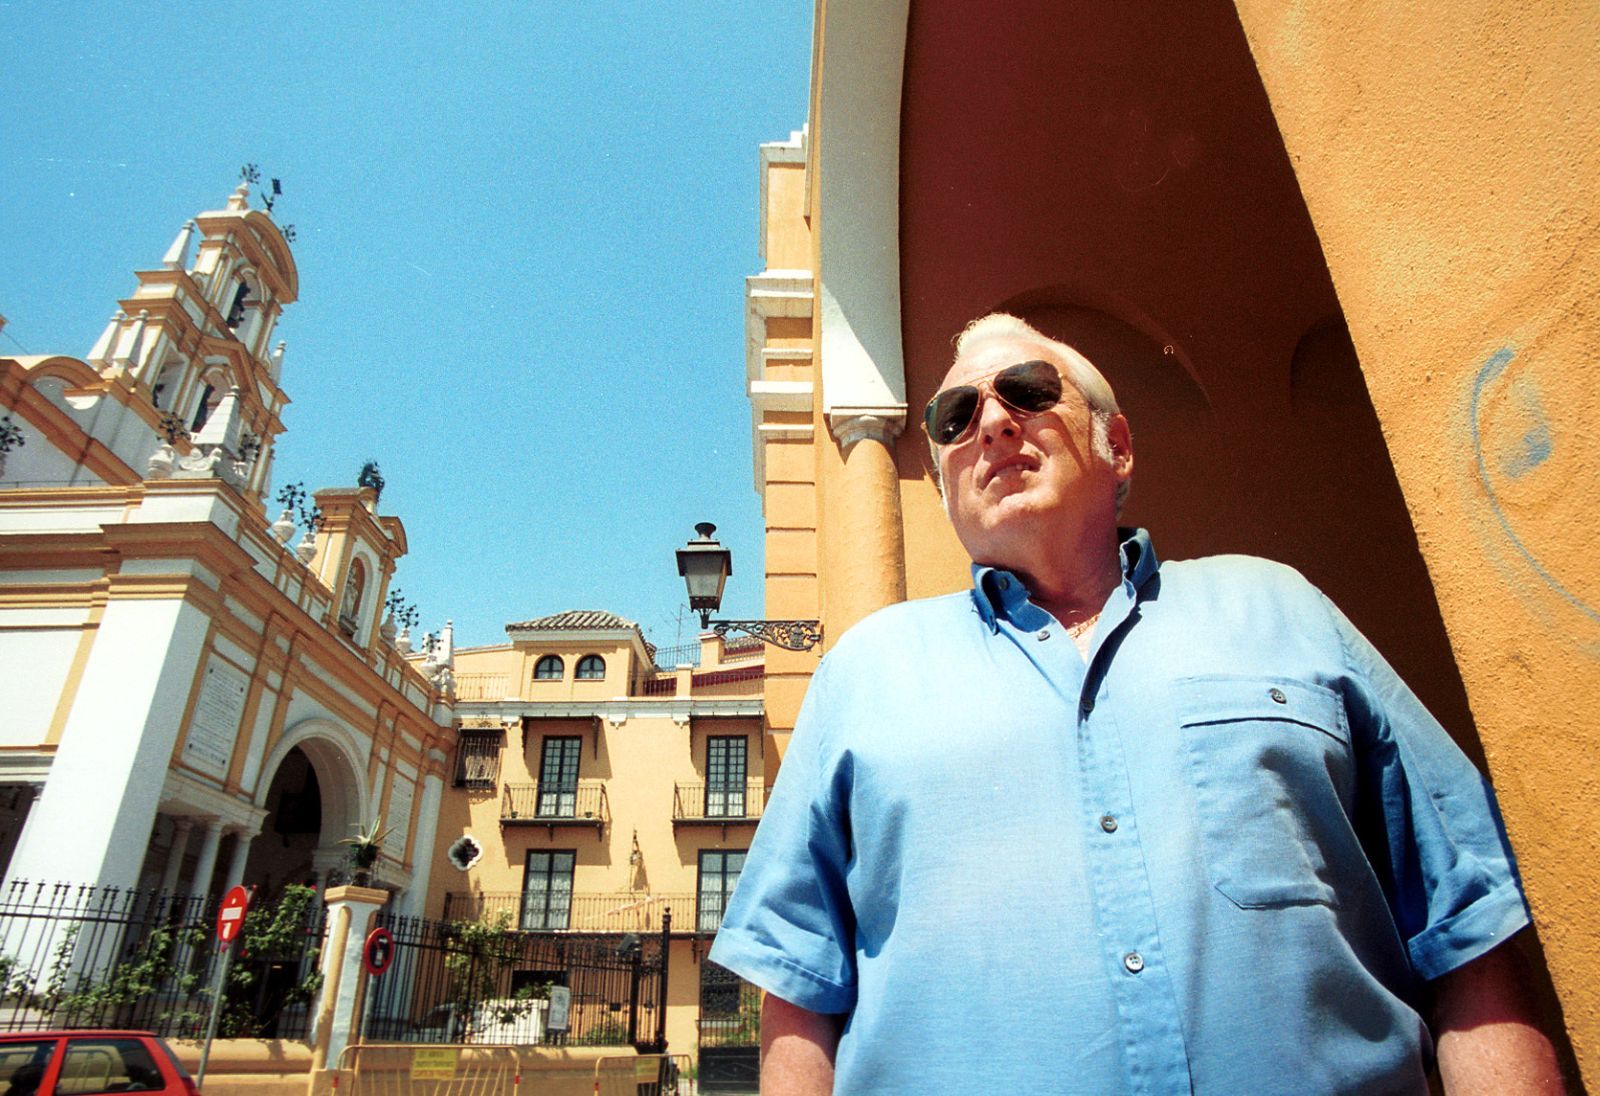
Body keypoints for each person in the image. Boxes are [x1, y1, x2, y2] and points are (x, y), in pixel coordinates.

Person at [707, 313, 1565, 1094]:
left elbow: (1464, 934)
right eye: (954, 417)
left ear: (1116, 445)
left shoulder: (1283, 611)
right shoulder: (866, 675)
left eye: (1030, 392)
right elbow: (799, 993)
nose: (994, 423)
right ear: (942, 488)